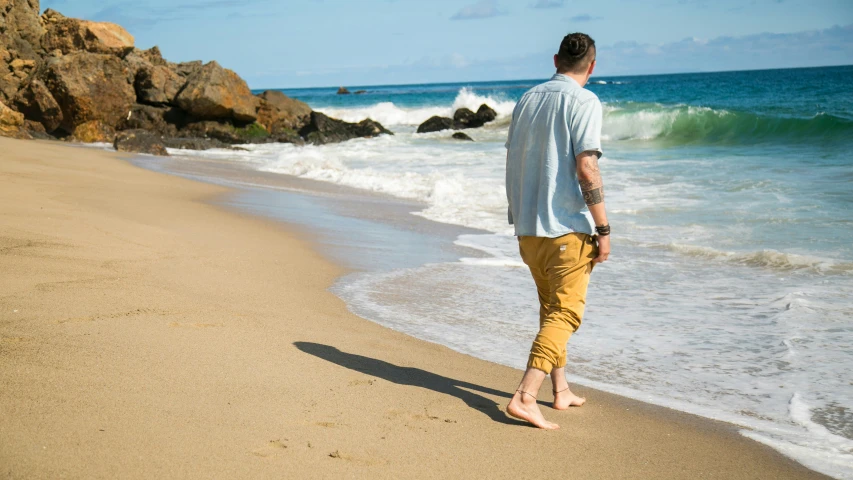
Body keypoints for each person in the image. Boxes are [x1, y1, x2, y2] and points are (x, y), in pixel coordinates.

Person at [504, 32, 610, 430]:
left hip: (529, 229)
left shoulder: (527, 99)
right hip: (566, 229)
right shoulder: (585, 101)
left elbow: (514, 158)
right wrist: (604, 228)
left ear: (555, 59)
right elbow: (587, 167)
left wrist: (517, 216)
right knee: (565, 314)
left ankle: (560, 390)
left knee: (550, 310)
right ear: (593, 66)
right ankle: (525, 395)